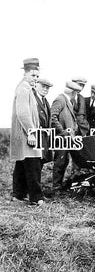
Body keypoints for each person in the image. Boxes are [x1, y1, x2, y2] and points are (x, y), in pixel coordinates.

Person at [10, 58, 44, 205]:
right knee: (32, 165)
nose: (35, 79)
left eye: (37, 76)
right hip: (26, 134)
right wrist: (31, 132)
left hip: (25, 133)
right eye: (32, 76)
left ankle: (18, 195)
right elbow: (23, 113)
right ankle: (36, 198)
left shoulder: (25, 88)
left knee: (22, 164)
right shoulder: (24, 89)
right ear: (25, 74)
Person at [50, 81, 82, 192]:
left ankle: (59, 186)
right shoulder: (60, 99)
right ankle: (56, 188)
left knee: (64, 161)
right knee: (60, 162)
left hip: (66, 138)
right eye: (76, 93)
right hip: (61, 138)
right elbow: (52, 118)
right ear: (73, 93)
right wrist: (63, 132)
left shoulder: (66, 101)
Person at [34, 78, 54, 164]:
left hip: (44, 140)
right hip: (35, 138)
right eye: (43, 86)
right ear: (36, 85)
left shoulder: (46, 102)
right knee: (33, 168)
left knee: (39, 166)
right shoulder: (32, 100)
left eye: (47, 88)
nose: (45, 89)